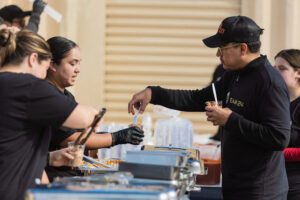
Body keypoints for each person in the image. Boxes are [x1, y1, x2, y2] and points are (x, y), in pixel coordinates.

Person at [128, 16, 291, 200]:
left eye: (222, 49)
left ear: (243, 48)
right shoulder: (234, 74)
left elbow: (279, 137)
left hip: (261, 192)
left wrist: (230, 120)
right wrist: (154, 93)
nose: (218, 55)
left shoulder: (268, 82)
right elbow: (197, 98)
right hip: (234, 186)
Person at [0, 29, 99, 200]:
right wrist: (95, 114)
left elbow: (10, 145)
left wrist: (48, 159)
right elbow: (82, 117)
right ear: (33, 59)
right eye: (45, 68)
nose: (43, 77)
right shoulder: (28, 86)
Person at [45, 36, 144, 181]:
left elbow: (80, 135)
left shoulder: (66, 95)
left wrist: (110, 135)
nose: (78, 70)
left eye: (79, 63)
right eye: (72, 63)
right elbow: (72, 140)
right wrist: (117, 137)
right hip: (53, 176)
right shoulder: (48, 96)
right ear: (53, 65)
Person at [274, 49, 300, 200]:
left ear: (298, 73)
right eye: (274, 69)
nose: (276, 73)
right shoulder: (275, 103)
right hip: (275, 182)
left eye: (282, 69)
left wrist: (276, 153)